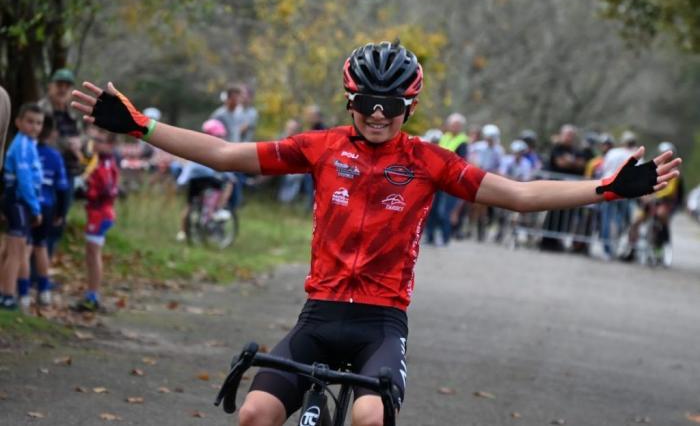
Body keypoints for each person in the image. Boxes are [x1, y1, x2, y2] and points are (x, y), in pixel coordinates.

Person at [71, 41, 681, 426]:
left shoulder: (428, 161)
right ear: (348, 100)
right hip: (317, 317)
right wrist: (142, 126)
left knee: (367, 419)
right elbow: (226, 154)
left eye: (391, 104)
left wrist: (603, 190)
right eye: (366, 102)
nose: (379, 114)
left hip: (379, 326)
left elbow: (519, 195)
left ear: (409, 108)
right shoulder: (320, 148)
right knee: (255, 413)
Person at [0, 103, 44, 310]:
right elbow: (25, 181)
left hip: (19, 202)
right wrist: (35, 208)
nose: (34, 127)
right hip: (18, 201)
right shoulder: (22, 145)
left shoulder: (29, 143)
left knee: (10, 250)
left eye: (39, 123)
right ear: (18, 123)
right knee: (16, 252)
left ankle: (3, 290)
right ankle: (7, 295)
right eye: (30, 122)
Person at [72, 126, 119, 312]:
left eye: (100, 141)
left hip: (100, 214)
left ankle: (93, 296)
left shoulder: (106, 164)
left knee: (93, 254)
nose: (95, 144)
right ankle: (91, 293)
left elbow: (106, 190)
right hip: (97, 212)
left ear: (110, 144)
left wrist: (86, 188)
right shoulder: (99, 160)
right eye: (94, 140)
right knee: (91, 254)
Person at [38, 68, 83, 256]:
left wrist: (80, 142)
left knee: (60, 218)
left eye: (67, 86)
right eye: (59, 85)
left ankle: (45, 265)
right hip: (45, 172)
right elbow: (39, 138)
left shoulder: (73, 113)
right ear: (51, 86)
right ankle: (34, 271)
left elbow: (83, 136)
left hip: (69, 172)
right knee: (42, 218)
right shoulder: (41, 110)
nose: (62, 89)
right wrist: (67, 144)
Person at [175, 119, 235, 241]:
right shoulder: (215, 150)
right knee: (229, 184)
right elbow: (224, 167)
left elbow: (189, 167)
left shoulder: (196, 147)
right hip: (209, 180)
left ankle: (182, 232)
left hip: (193, 180)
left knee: (189, 205)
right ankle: (218, 209)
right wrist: (231, 176)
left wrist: (181, 181)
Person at [32, 117, 70, 306]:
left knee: (19, 248)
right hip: (47, 206)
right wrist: (61, 214)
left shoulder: (26, 150)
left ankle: (17, 292)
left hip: (24, 206)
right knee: (40, 247)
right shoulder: (55, 156)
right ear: (53, 133)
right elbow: (62, 188)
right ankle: (44, 291)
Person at [425, 113, 468, 246]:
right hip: (436, 177)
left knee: (444, 211)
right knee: (431, 208)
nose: (454, 127)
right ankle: (430, 237)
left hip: (450, 180)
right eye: (453, 124)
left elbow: (460, 161)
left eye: (457, 125)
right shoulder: (444, 137)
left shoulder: (462, 141)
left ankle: (445, 238)